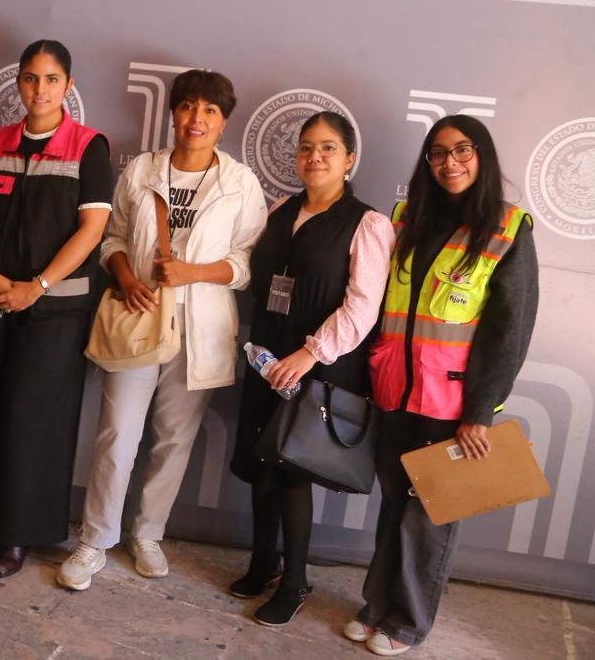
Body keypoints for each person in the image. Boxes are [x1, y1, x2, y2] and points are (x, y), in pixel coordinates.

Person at [57, 69, 265, 591]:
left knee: (174, 440)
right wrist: (126, 277)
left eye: (210, 110)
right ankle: (95, 539)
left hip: (201, 329)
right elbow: (112, 238)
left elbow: (247, 264)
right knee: (117, 435)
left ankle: (148, 534)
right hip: (139, 316)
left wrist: (195, 272)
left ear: (224, 122)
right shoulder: (143, 169)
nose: (197, 118)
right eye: (189, 106)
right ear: (173, 113)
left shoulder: (240, 183)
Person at [344, 115, 538, 656]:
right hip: (394, 388)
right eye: (438, 153)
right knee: (393, 503)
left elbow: (509, 331)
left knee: (429, 513)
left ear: (482, 156)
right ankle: (376, 607)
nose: (449, 162)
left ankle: (407, 622)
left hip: (451, 400)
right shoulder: (406, 218)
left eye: (462, 150)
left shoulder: (508, 228)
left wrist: (480, 411)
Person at [227, 112, 394, 626]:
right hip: (267, 358)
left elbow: (362, 307)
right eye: (305, 147)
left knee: (292, 472)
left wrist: (310, 354)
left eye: (327, 148)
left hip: (318, 365)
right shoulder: (281, 209)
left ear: (349, 159)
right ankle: (264, 563)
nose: (314, 157)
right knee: (262, 462)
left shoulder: (367, 224)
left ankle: (295, 581)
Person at [0, 39, 113, 578]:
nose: (39, 89)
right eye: (30, 78)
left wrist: (37, 286)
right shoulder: (0, 141)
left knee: (33, 417)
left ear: (68, 86)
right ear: (19, 82)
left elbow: (92, 230)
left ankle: (20, 533)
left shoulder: (89, 147)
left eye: (51, 79)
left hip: (55, 311)